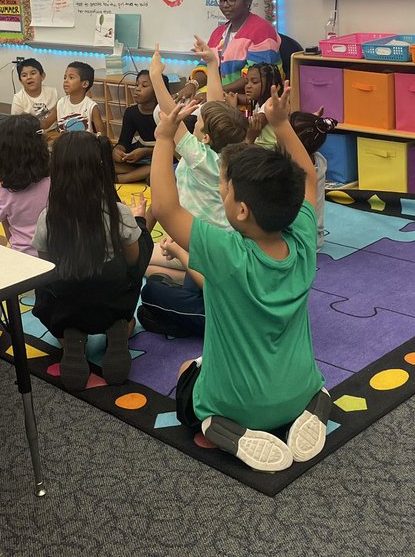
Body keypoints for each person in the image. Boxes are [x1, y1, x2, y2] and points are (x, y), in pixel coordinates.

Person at [150, 83, 330, 473]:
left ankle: (221, 427)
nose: (221, 190)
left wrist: (164, 138)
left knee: (186, 373)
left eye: (224, 188)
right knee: (290, 380)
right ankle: (314, 404)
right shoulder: (302, 238)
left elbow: (164, 206)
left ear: (243, 210)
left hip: (238, 404)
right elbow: (308, 179)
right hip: (299, 390)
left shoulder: (226, 253)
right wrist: (281, 125)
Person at [137, 44, 247, 338]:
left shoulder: (200, 156)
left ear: (207, 136)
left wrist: (156, 77)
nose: (194, 119)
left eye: (198, 121)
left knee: (153, 279)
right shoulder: (228, 152)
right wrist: (213, 64)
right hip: (210, 239)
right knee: (151, 266)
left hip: (203, 241)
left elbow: (169, 116)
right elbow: (215, 106)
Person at [31, 134, 146, 391]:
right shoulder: (118, 214)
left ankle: (72, 337)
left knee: (49, 283)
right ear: (100, 168)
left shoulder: (48, 219)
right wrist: (140, 223)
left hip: (68, 307)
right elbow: (134, 261)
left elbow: (46, 268)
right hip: (112, 303)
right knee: (141, 246)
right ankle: (118, 331)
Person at [180, 0, 281, 96]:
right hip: (218, 95)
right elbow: (206, 66)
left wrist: (215, 92)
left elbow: (255, 79)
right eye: (221, 0)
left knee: (194, 114)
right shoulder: (218, 33)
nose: (225, 4)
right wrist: (192, 85)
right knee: (165, 109)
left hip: (243, 100)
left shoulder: (262, 31)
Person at [0, 113, 51, 256]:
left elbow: (9, 234)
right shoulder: (55, 184)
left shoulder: (1, 194)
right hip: (54, 257)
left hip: (22, 257)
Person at [289, 110, 336, 251]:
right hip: (315, 237)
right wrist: (310, 126)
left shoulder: (290, 167)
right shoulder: (320, 160)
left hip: (298, 241)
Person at [112, 69, 159, 183]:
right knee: (107, 161)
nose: (137, 89)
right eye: (137, 84)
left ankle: (124, 178)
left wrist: (146, 151)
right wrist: (118, 150)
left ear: (158, 90)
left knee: (161, 166)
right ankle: (141, 173)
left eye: (144, 86)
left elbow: (173, 148)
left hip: (159, 153)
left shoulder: (164, 113)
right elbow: (124, 140)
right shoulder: (131, 112)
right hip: (140, 152)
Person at [41, 61, 104, 135]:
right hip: (64, 145)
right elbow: (46, 124)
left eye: (71, 77)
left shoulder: (91, 106)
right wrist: (29, 122)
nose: (66, 81)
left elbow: (102, 134)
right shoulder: (61, 103)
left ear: (85, 84)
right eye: (65, 77)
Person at [240, 62, 285, 149]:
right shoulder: (257, 103)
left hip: (270, 151)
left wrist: (233, 107)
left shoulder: (270, 104)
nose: (248, 86)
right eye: (246, 82)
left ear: (270, 84)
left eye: (255, 82)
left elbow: (249, 129)